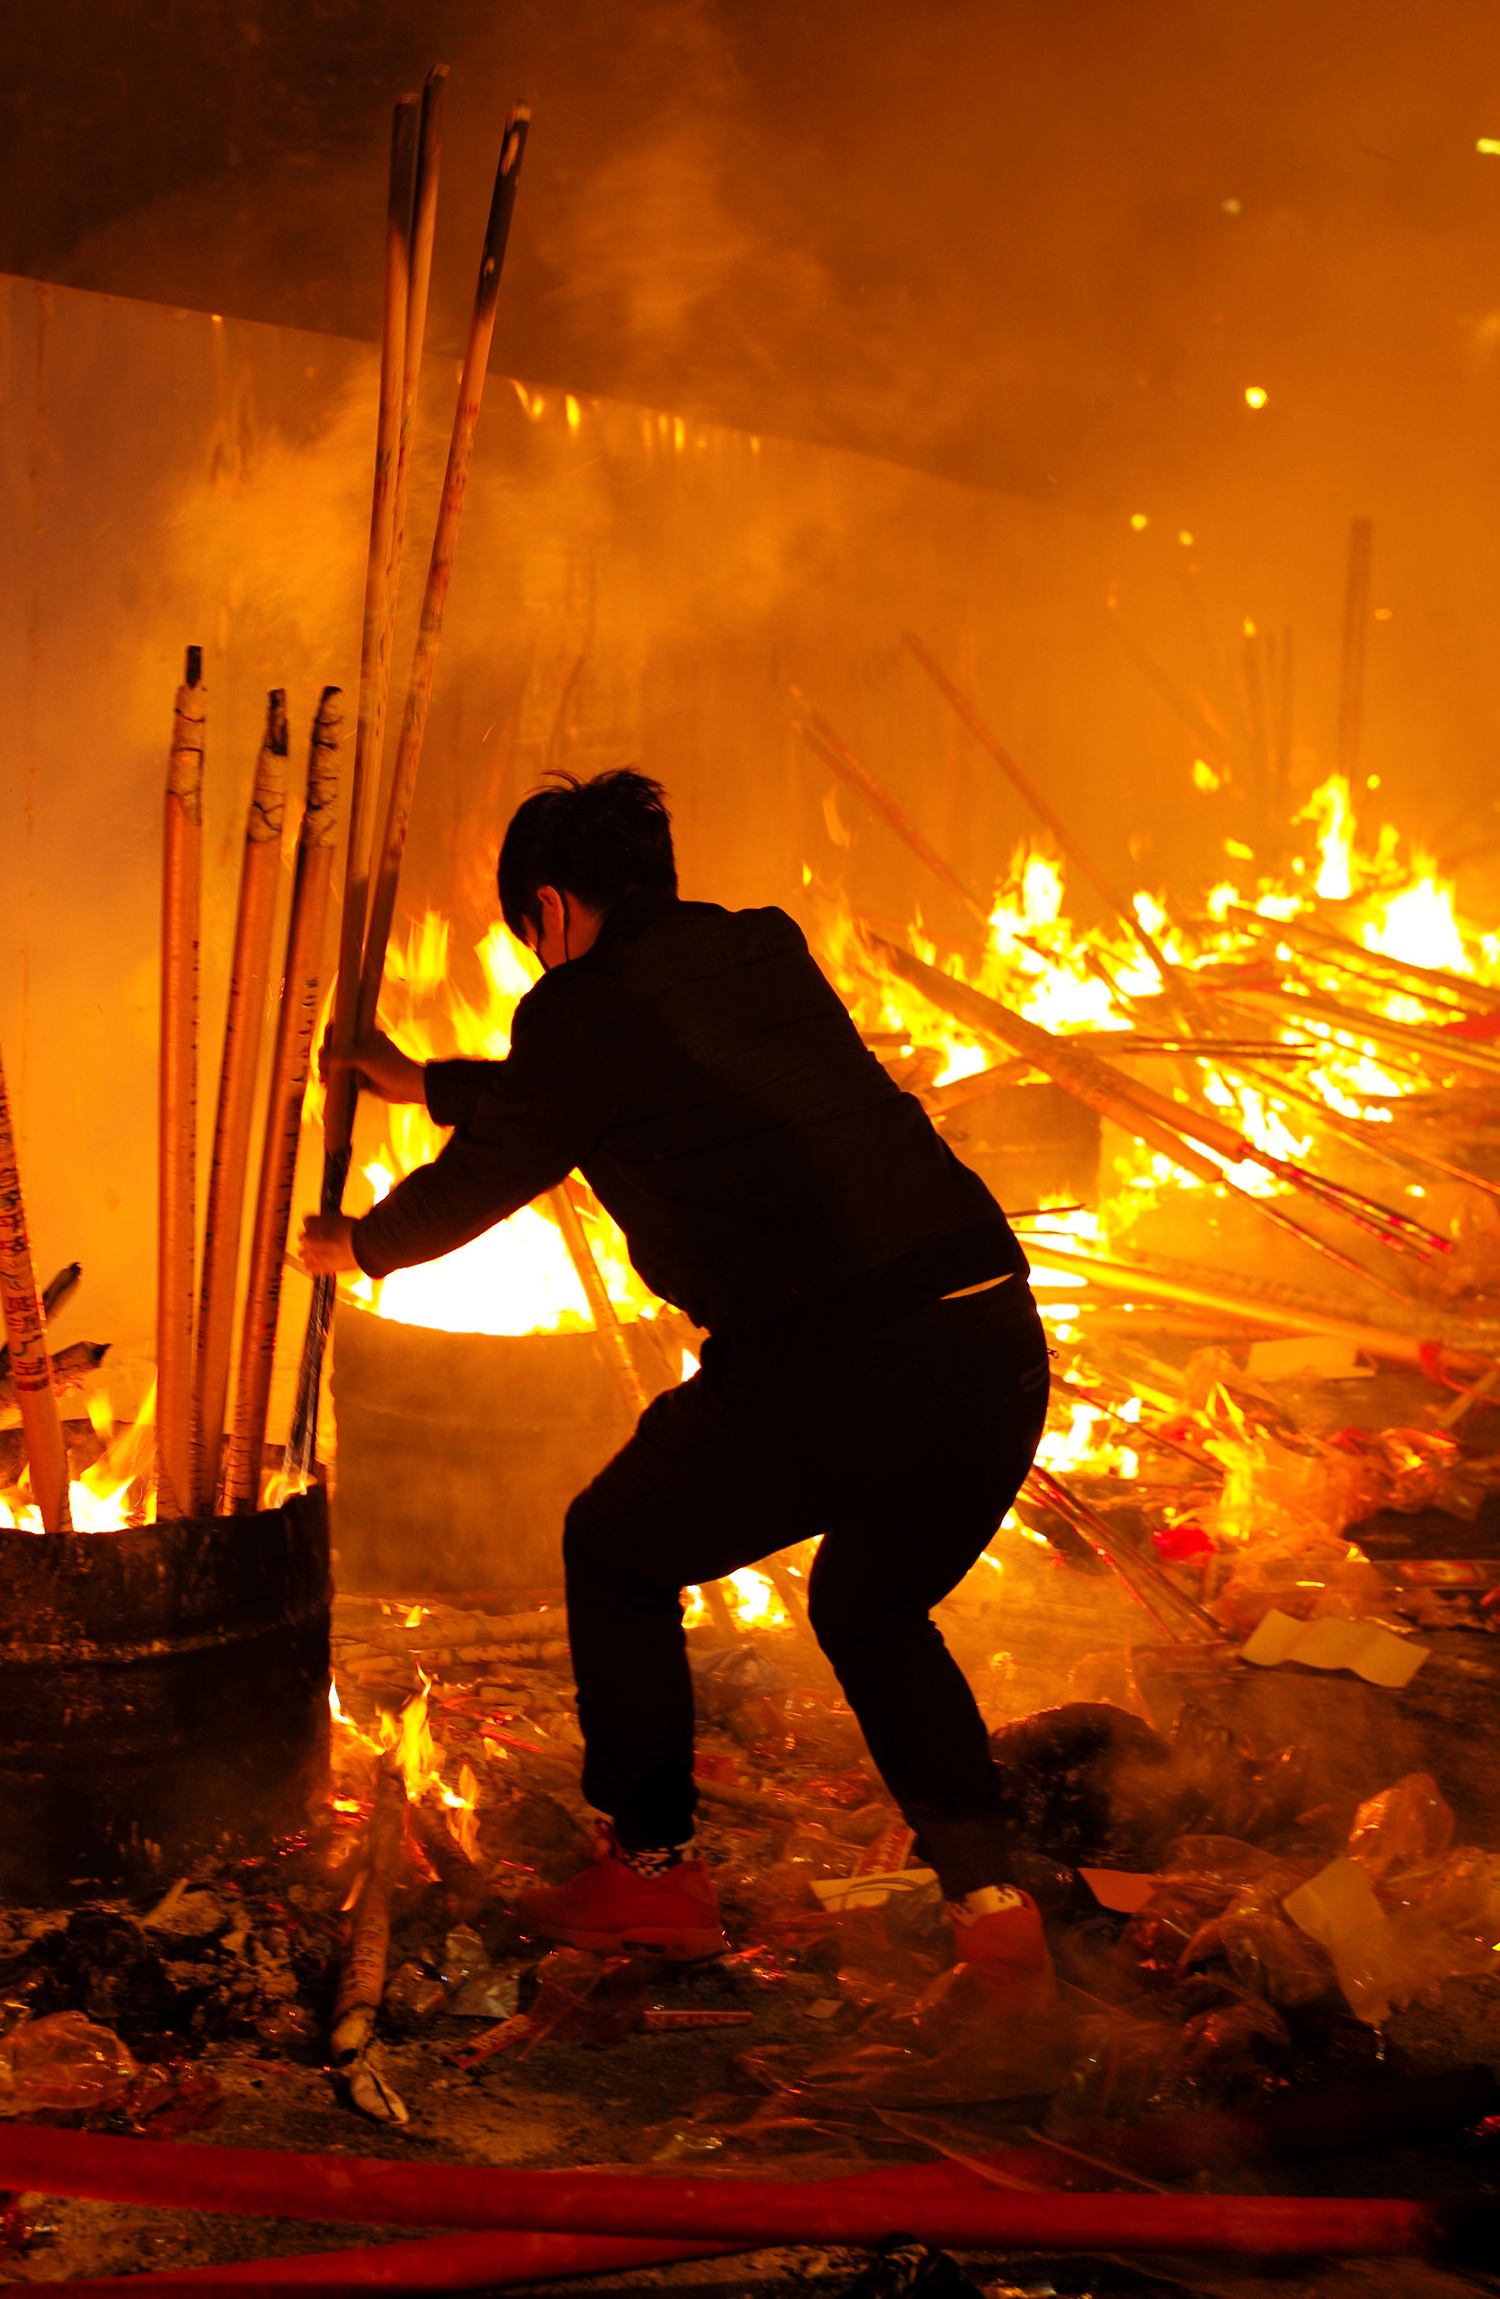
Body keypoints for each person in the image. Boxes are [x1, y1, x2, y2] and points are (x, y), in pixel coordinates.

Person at [296, 770, 1053, 1985]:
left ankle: (651, 1878)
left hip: (842, 1357)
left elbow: (513, 1152)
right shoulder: (759, 953)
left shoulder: (580, 1012)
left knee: (617, 1548)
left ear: (544, 910)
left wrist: (357, 1245)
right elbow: (608, 1091)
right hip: (990, 1332)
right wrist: (426, 1083)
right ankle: (995, 1911)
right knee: (869, 1608)